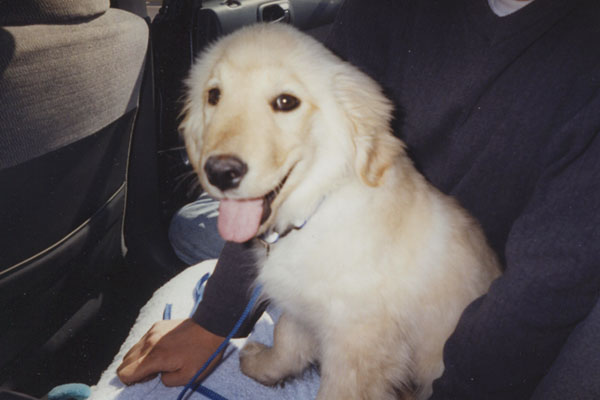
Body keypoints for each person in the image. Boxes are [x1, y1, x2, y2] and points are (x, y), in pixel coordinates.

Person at [117, 0, 600, 398]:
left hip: (461, 357)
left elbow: (545, 287)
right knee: (189, 232)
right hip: (354, 239)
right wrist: (212, 322)